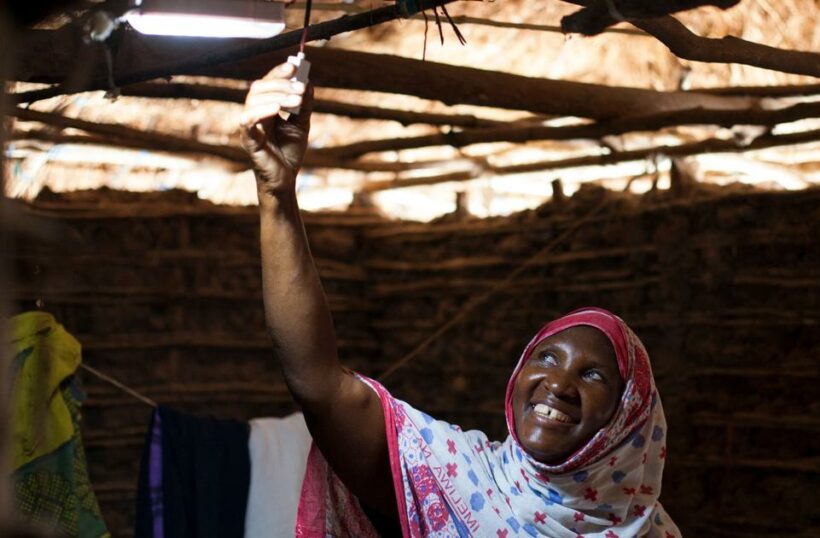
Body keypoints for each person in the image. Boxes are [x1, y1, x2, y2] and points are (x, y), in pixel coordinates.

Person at [240, 62, 682, 538]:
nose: (557, 383)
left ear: (628, 417)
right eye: (546, 357)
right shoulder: (459, 482)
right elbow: (319, 383)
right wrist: (276, 194)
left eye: (593, 374)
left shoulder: (653, 532)